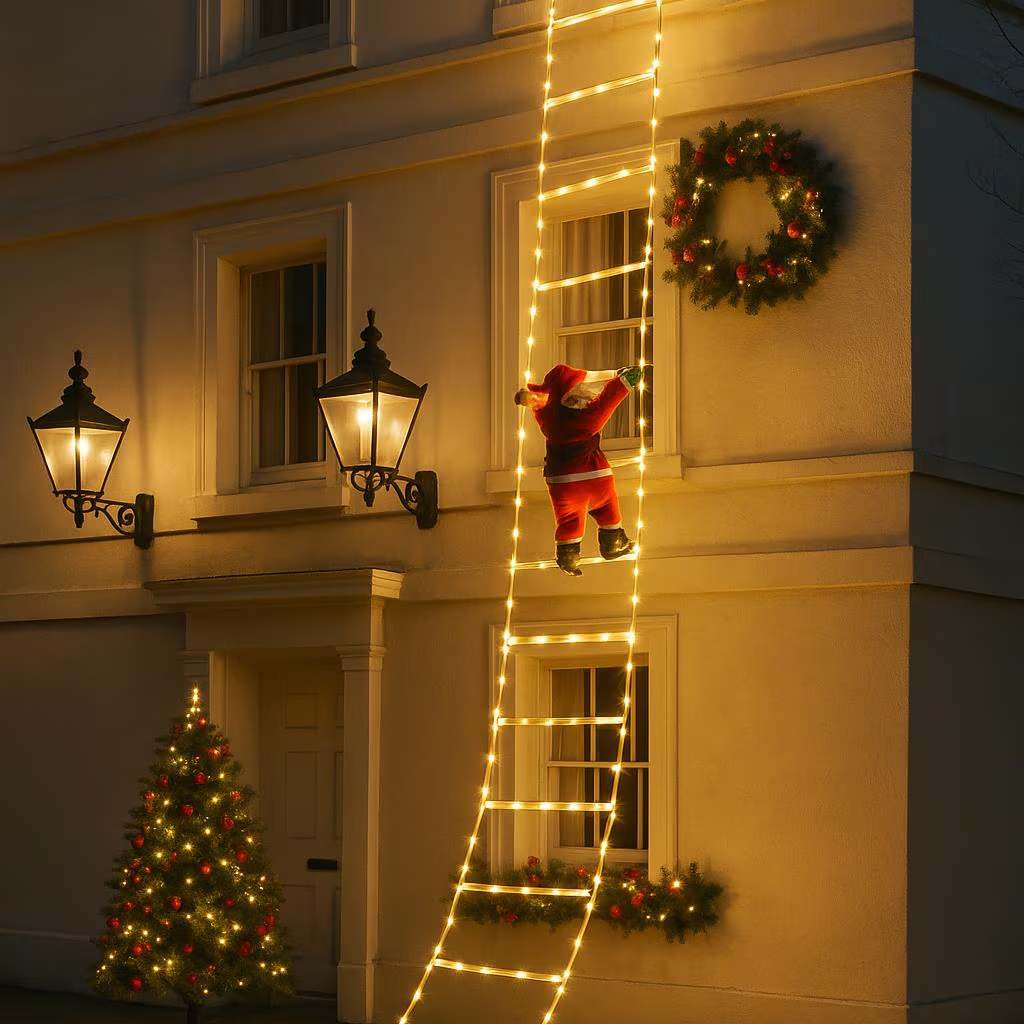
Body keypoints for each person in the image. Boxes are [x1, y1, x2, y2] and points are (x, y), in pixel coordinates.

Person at [515, 363, 643, 576]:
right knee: (607, 508)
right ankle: (612, 542)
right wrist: (624, 383)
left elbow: (545, 400)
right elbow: (606, 403)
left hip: (561, 484)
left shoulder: (547, 420)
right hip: (593, 475)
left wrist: (614, 374)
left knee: (568, 519)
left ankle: (568, 556)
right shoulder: (582, 420)